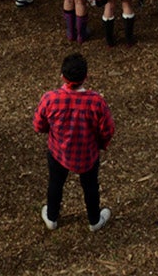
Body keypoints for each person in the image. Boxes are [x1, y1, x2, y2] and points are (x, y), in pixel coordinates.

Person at [33, 51, 114, 234]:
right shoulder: (96, 102)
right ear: (86, 77)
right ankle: (94, 220)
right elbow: (108, 130)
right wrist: (100, 143)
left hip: (58, 152)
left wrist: (52, 131)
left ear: (62, 76)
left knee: (55, 183)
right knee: (90, 187)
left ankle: (52, 217)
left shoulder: (50, 99)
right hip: (88, 154)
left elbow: (38, 125)